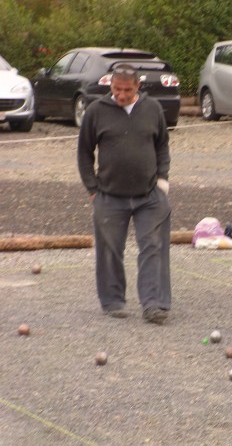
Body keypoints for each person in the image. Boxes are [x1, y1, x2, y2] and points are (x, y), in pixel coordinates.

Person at [77, 64, 172, 325]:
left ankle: (154, 304)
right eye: (117, 89)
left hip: (150, 194)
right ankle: (112, 301)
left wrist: (163, 180)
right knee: (110, 250)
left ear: (137, 87)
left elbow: (162, 145)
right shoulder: (96, 111)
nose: (121, 94)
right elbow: (84, 152)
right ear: (111, 86)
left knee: (153, 247)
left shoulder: (152, 109)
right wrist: (92, 189)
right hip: (108, 195)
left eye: (127, 90)